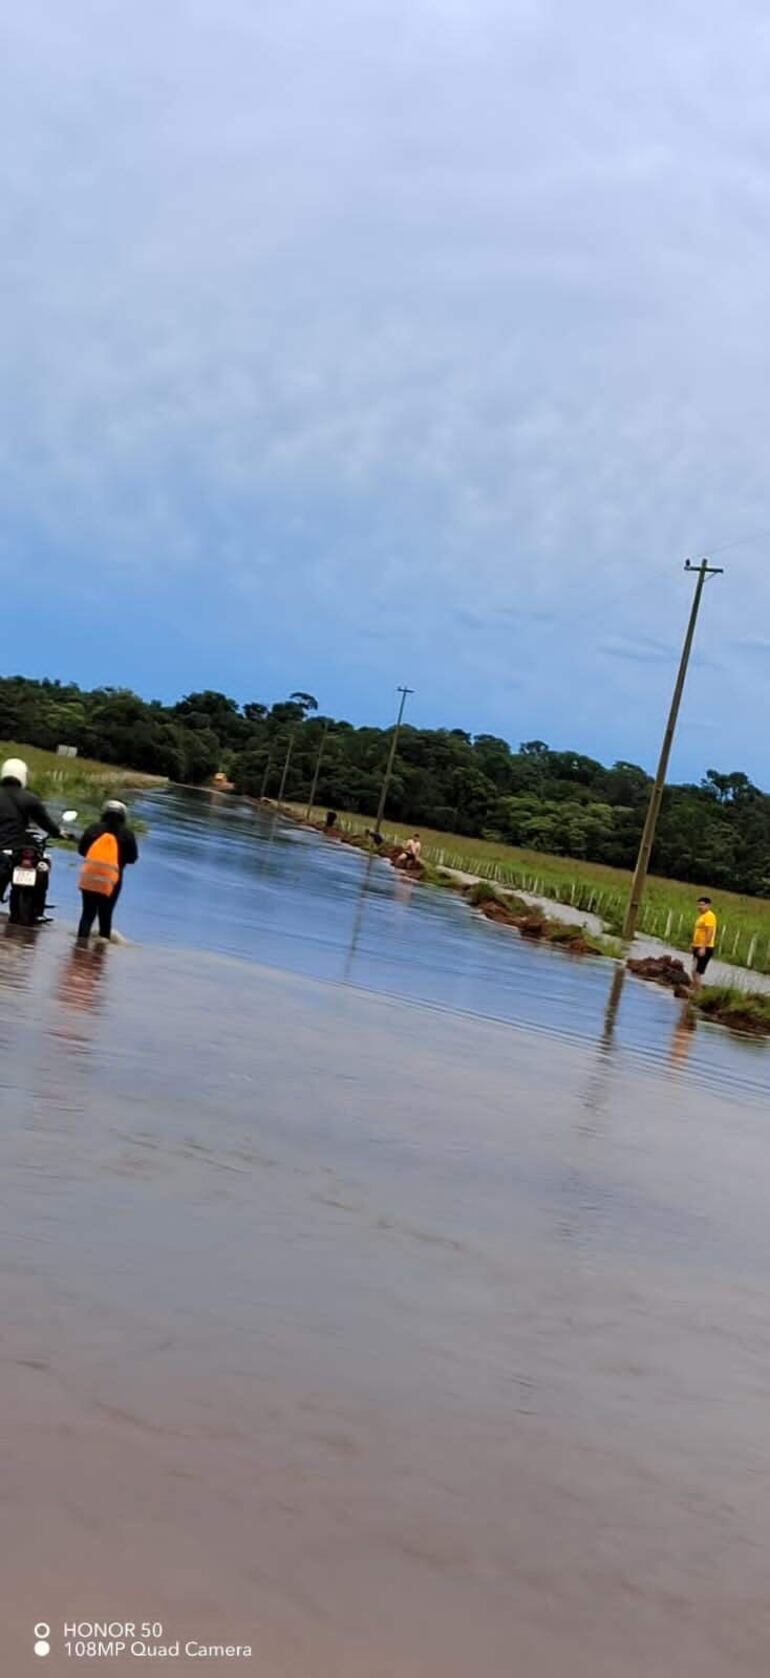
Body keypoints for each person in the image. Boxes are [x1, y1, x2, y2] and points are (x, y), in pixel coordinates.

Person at [0, 757, 67, 903]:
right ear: (23, 775)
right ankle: (35, 905)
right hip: (16, 850)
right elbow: (45, 822)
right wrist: (58, 833)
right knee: (39, 863)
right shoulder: (30, 799)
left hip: (5, 852)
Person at [77, 800, 138, 942]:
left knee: (87, 914)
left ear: (104, 813)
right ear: (123, 816)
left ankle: (79, 948)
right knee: (106, 914)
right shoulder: (127, 834)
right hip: (112, 879)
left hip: (90, 876)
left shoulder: (93, 829)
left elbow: (81, 850)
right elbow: (132, 858)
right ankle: (100, 954)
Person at [691, 895, 717, 987]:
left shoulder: (710, 916)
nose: (700, 907)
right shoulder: (702, 916)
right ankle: (694, 991)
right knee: (693, 971)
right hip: (697, 946)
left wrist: (703, 947)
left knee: (697, 972)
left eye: (702, 905)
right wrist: (693, 945)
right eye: (698, 905)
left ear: (708, 906)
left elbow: (710, 932)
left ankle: (699, 993)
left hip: (705, 947)